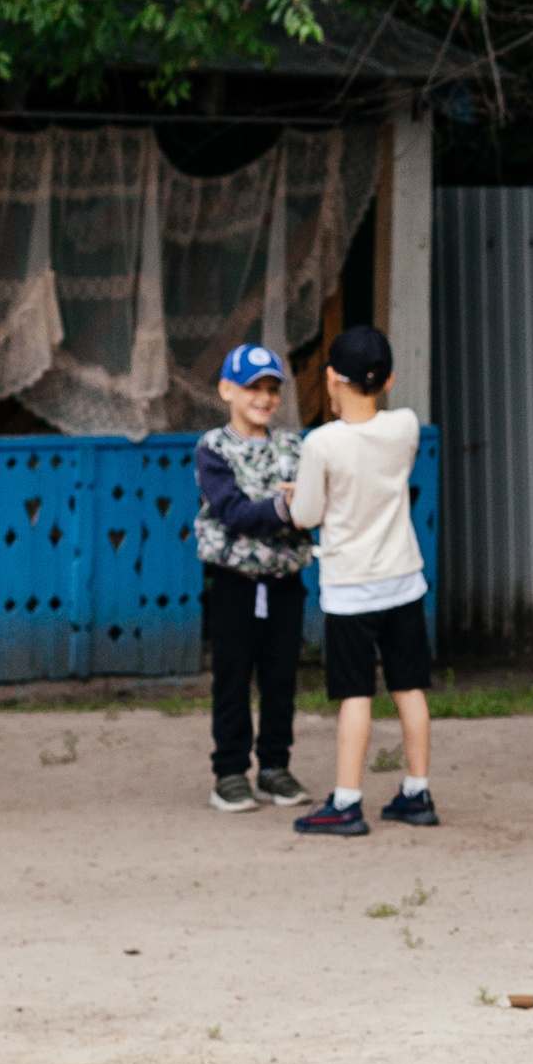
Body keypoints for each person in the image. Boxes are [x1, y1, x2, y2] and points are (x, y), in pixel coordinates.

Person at [283, 326, 436, 839]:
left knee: (355, 694)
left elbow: (305, 515)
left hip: (351, 587)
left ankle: (346, 802)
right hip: (403, 580)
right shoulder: (406, 427)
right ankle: (417, 791)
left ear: (331, 378)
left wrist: (295, 493)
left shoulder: (321, 443)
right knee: (408, 688)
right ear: (388, 379)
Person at [193, 341, 312, 813]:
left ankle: (274, 767)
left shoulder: (294, 447)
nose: (263, 398)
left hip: (284, 582)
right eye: (251, 388)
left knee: (281, 676)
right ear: (227, 390)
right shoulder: (213, 449)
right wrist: (285, 507)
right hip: (234, 583)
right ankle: (229, 772)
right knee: (233, 676)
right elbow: (234, 511)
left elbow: (314, 502)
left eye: (271, 390)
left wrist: (301, 505)